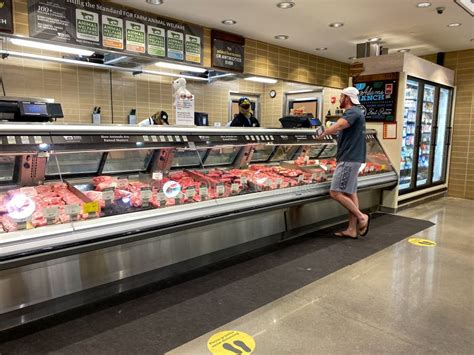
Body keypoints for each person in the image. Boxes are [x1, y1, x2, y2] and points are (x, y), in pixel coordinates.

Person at [317, 87, 371, 238]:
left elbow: (340, 125)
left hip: (349, 159)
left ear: (347, 98)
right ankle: (352, 230)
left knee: (335, 192)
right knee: (350, 192)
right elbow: (341, 128)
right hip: (353, 158)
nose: (339, 99)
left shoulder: (353, 112)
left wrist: (323, 132)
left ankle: (361, 217)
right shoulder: (357, 113)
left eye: (341, 96)